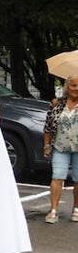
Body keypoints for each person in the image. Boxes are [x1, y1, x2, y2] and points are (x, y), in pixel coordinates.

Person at [43, 76, 78, 224]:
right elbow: (48, 127)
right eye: (73, 85)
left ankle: (76, 209)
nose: (76, 88)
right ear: (67, 87)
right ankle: (54, 210)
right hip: (60, 146)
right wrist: (46, 145)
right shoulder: (57, 104)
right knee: (57, 177)